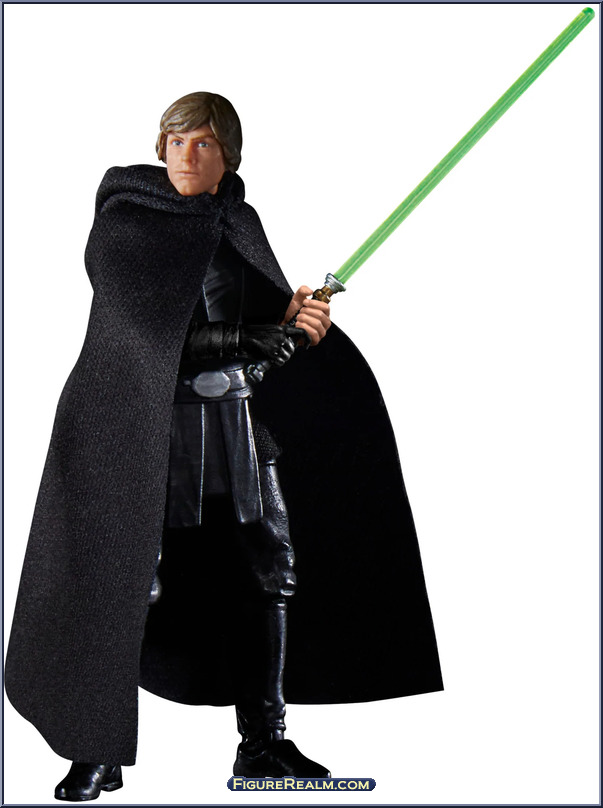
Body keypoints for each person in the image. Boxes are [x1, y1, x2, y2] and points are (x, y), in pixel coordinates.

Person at [5, 92, 443, 801]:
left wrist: (294, 319)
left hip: (235, 424)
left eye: (203, 143)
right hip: (141, 428)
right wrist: (249, 337)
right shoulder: (125, 219)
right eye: (176, 142)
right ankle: (96, 747)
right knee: (128, 581)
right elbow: (147, 334)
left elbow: (260, 328)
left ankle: (262, 745)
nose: (186, 156)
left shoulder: (238, 219)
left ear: (227, 156)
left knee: (266, 573)